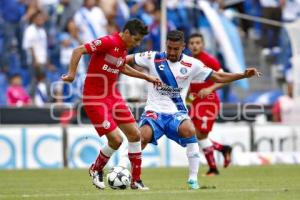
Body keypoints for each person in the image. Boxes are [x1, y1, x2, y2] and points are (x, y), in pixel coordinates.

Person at [126, 30, 261, 189]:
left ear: (183, 47)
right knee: (141, 137)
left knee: (191, 131)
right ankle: (129, 174)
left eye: (175, 49)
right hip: (153, 111)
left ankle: (193, 179)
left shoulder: (193, 64)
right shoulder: (152, 57)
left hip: (177, 113)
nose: (171, 52)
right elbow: (124, 60)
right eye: (169, 48)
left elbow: (218, 77)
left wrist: (243, 75)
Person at [62, 18, 161, 190]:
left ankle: (136, 181)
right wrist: (71, 74)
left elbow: (122, 67)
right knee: (116, 140)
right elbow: (78, 50)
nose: (137, 44)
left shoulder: (123, 48)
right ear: (127, 33)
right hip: (94, 98)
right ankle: (95, 168)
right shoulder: (108, 42)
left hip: (113, 96)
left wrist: (147, 77)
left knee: (135, 135)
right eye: (136, 40)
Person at [188, 33, 232, 176]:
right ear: (188, 46)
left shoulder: (209, 60)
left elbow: (225, 78)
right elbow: (189, 85)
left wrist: (210, 89)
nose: (195, 45)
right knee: (193, 134)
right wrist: (186, 101)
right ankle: (222, 149)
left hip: (209, 102)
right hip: (194, 103)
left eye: (197, 43)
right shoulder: (187, 62)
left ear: (203, 45)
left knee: (200, 134)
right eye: (192, 43)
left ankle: (213, 168)